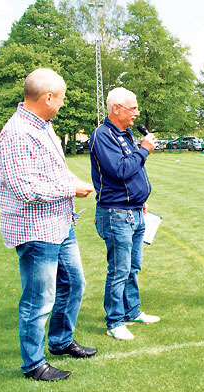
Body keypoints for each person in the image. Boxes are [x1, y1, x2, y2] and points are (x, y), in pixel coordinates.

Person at [0, 68, 97, 381]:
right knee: (38, 299)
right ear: (48, 97)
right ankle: (33, 364)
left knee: (74, 283)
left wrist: (74, 181)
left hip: (59, 225)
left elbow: (55, 170)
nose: (62, 104)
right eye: (61, 98)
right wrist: (72, 189)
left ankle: (60, 341)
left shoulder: (44, 126)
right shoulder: (16, 133)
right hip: (35, 231)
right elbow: (25, 189)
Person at [89, 87, 160, 340]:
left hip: (135, 211)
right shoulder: (102, 135)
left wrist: (140, 198)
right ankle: (115, 321)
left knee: (132, 267)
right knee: (118, 269)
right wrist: (144, 150)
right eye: (133, 108)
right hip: (115, 213)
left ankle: (131, 311)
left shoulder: (126, 134)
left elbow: (133, 172)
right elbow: (119, 170)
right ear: (116, 108)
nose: (136, 113)